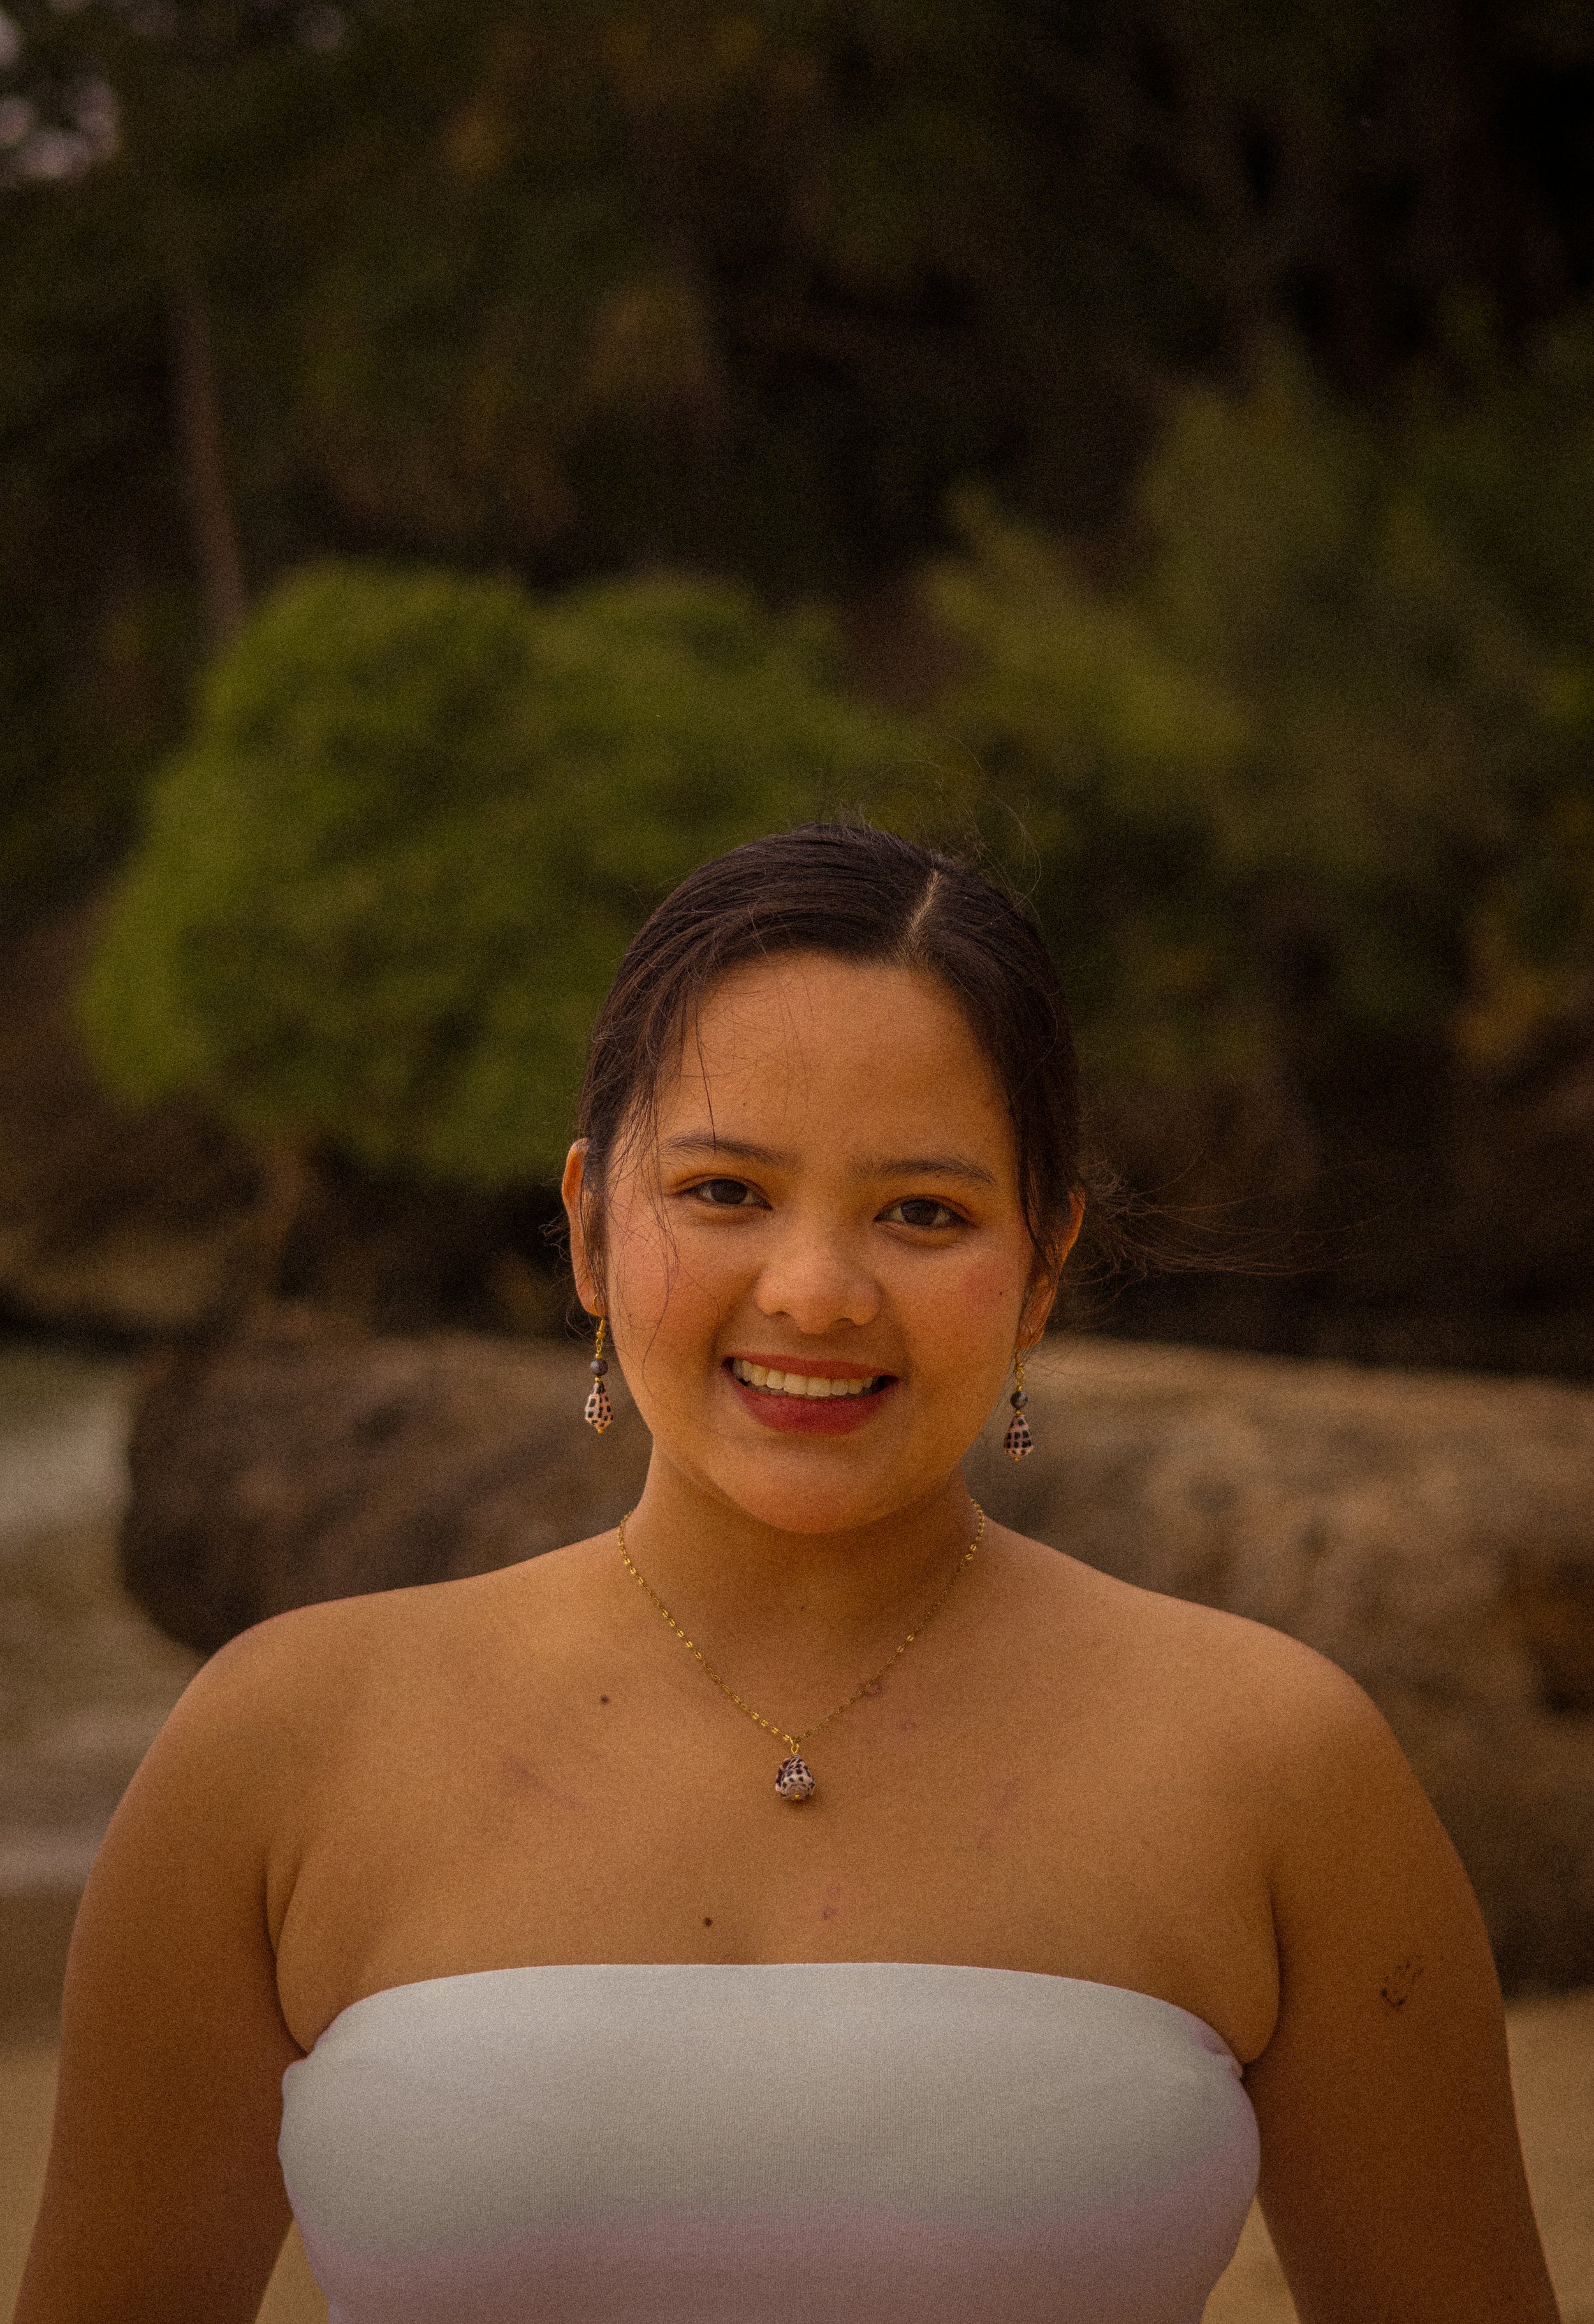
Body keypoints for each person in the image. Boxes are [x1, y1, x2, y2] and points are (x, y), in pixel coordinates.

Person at [18, 824, 1559, 2324]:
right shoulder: (280, 1745)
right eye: (723, 1192)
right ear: (584, 1228)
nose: (815, 1291)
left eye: (921, 1213)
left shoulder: (1276, 1762)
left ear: (1037, 1269)